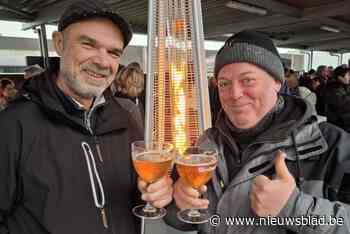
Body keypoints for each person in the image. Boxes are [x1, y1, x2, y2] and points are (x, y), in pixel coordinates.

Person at [0, 1, 173, 233]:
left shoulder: (123, 121)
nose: (102, 61)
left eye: (113, 52)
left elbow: (137, 198)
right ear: (59, 43)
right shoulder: (13, 126)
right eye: (89, 45)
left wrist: (158, 191)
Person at [167, 31, 350, 234]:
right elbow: (183, 220)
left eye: (247, 81)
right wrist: (178, 203)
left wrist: (294, 208)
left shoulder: (332, 144)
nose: (234, 95)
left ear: (277, 82)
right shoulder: (205, 145)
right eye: (224, 83)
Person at [324, 65, 350, 133]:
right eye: (348, 75)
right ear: (340, 76)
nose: (349, 77)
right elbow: (343, 104)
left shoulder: (344, 86)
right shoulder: (333, 88)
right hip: (339, 123)